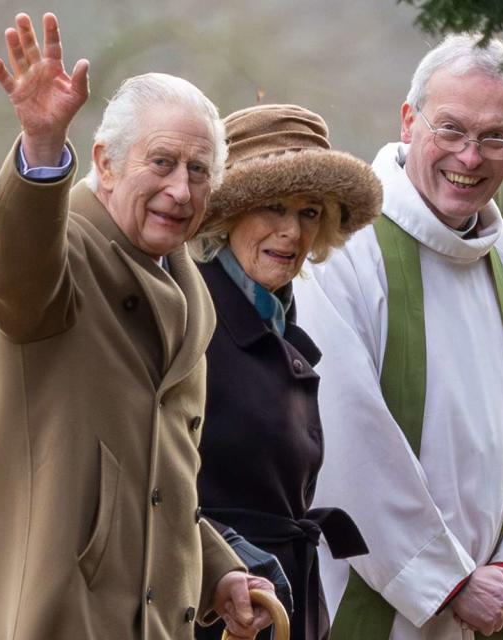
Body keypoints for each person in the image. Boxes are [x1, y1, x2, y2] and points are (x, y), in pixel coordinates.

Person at [0, 13, 274, 640]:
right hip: (57, 618)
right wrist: (42, 150)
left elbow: (157, 477)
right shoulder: (63, 252)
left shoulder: (187, 284)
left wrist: (217, 570)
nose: (180, 190)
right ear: (104, 163)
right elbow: (13, 277)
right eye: (160, 162)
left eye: (198, 170)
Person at [293, 34, 503, 640]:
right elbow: (339, 432)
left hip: (492, 601)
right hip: (375, 602)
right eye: (451, 129)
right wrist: (449, 581)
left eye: (495, 136)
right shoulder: (345, 247)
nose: (470, 157)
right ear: (409, 120)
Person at [189, 104, 379, 640]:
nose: (291, 231)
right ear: (228, 215)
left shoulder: (274, 314)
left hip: (281, 596)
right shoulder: (192, 315)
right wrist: (229, 568)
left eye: (309, 212)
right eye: (271, 206)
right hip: (221, 609)